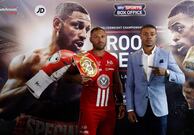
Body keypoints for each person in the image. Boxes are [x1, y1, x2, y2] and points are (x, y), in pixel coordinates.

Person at [0, 2, 91, 134]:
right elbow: (4, 111)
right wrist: (43, 79)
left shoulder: (88, 66)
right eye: (78, 26)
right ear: (57, 24)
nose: (84, 35)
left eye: (87, 29)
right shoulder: (29, 61)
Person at [125, 24, 185, 135]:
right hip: (140, 109)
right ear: (141, 36)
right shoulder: (133, 57)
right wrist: (130, 109)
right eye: (145, 34)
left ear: (156, 36)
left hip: (160, 109)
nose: (149, 37)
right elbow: (129, 85)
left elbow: (182, 78)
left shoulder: (165, 55)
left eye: (152, 34)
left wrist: (166, 72)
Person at [78, 27, 125, 135]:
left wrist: (121, 103)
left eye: (103, 36)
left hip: (109, 110)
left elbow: (117, 83)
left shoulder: (113, 59)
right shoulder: (83, 58)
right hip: (89, 110)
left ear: (106, 38)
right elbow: (67, 77)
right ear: (90, 39)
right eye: (96, 37)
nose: (100, 39)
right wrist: (77, 79)